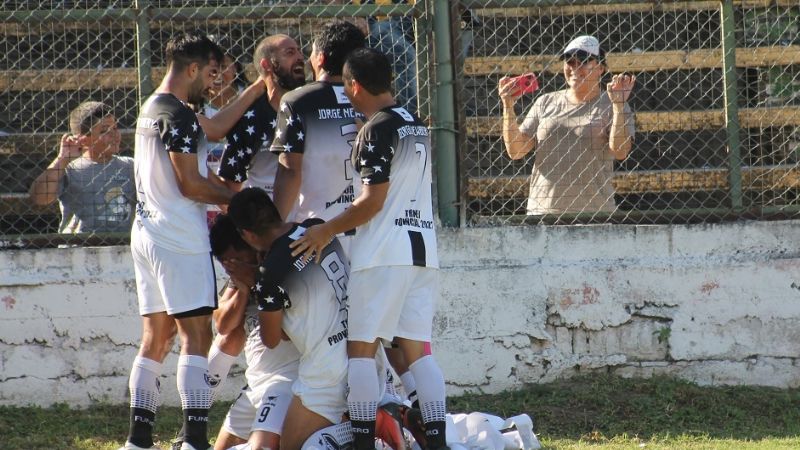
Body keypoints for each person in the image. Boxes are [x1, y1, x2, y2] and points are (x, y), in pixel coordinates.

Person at [290, 48, 447, 450]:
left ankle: (361, 442)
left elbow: (372, 202)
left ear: (355, 85)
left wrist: (326, 230)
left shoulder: (376, 131)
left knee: (360, 350)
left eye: (346, 87)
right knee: (417, 351)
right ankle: (439, 442)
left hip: (381, 254)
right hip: (421, 251)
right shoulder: (414, 122)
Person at [120, 31, 266, 450]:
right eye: (210, 73)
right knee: (196, 337)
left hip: (146, 232)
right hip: (177, 237)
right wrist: (239, 199)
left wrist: (256, 86)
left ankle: (139, 439)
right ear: (192, 69)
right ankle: (195, 440)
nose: (213, 82)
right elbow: (190, 184)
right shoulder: (179, 115)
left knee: (155, 338)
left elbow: (216, 128)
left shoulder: (153, 106)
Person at [227, 187, 351, 450]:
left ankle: (363, 432)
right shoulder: (317, 229)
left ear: (247, 234)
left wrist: (256, 285)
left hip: (325, 370)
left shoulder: (270, 276)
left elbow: (272, 339)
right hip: (360, 352)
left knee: (291, 446)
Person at [497, 35, 636, 216]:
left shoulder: (612, 104)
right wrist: (508, 106)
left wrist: (618, 105)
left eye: (584, 61)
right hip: (543, 211)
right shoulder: (545, 102)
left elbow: (620, 151)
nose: (575, 67)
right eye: (570, 62)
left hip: (595, 212)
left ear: (600, 68)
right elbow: (516, 151)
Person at [269, 20, 367, 251]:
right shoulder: (371, 99)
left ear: (320, 58)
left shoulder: (298, 101)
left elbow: (290, 171)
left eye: (311, 53)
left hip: (315, 234)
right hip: (367, 231)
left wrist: (273, 233)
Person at [208, 213, 302, 450]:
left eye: (236, 259)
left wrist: (258, 283)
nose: (232, 267)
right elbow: (222, 324)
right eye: (226, 263)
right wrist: (242, 286)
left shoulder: (280, 268)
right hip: (255, 383)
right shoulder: (240, 273)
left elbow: (286, 333)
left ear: (250, 243)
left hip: (285, 381)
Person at [28, 101, 135, 234]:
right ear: (83, 139)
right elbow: (40, 198)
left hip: (121, 245)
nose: (115, 134)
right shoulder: (70, 169)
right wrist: (62, 160)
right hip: (78, 247)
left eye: (115, 128)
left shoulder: (129, 166)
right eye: (104, 130)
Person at [347, 0, 417, 114]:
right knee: (405, 55)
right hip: (371, 17)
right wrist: (349, 15)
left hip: (409, 14)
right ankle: (412, 115)